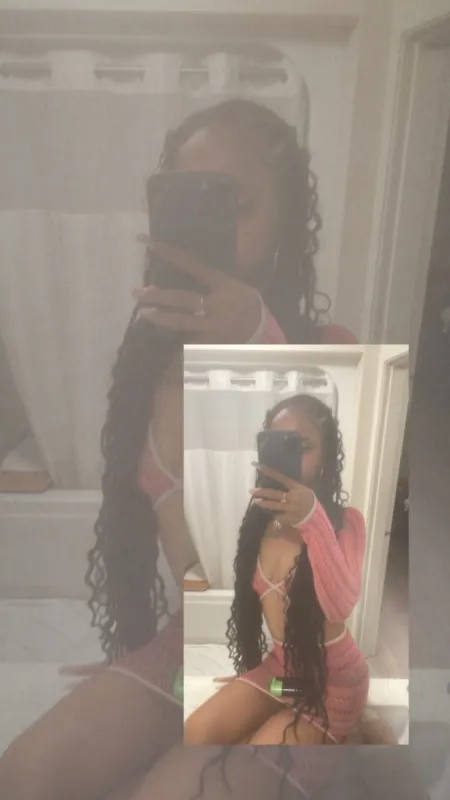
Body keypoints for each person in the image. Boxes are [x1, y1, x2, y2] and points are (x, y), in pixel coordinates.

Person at [0, 97, 356, 800]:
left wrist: (259, 341)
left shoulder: (330, 357)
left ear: (286, 220)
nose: (207, 233)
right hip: (195, 644)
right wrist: (134, 676)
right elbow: (186, 564)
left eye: (235, 206)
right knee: (24, 774)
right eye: (189, 204)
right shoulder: (148, 367)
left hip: (303, 671)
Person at [185, 394, 369, 746]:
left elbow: (340, 606)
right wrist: (251, 683)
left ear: (324, 457)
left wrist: (312, 519)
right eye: (277, 444)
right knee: (197, 732)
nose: (290, 458)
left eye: (302, 446)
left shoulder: (346, 523)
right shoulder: (259, 522)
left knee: (260, 754)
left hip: (334, 685)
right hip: (283, 675)